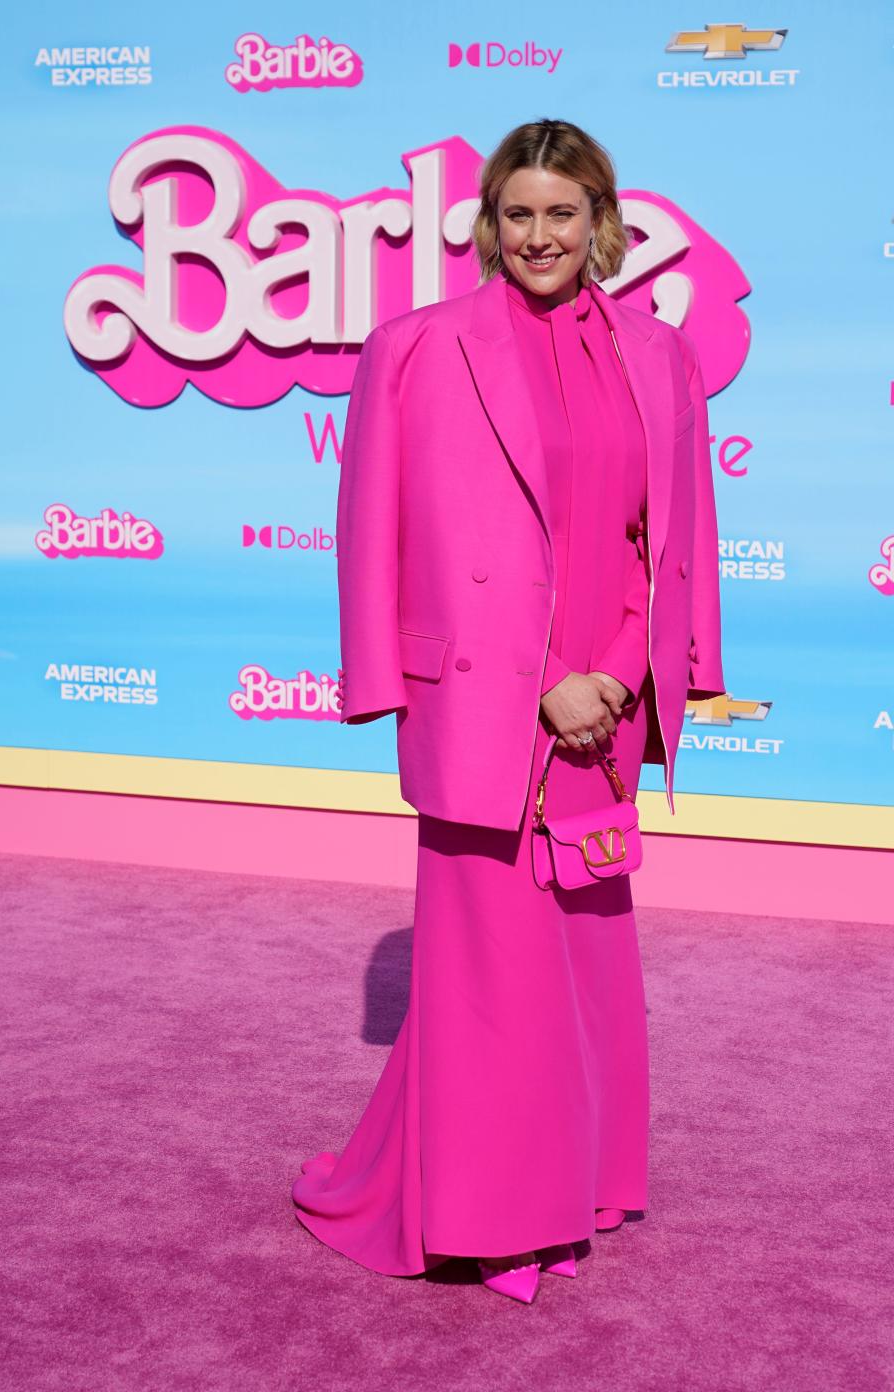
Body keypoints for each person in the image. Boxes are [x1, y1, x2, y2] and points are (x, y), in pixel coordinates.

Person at [291, 118, 726, 1304]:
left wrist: (635, 675)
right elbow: (371, 536)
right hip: (488, 703)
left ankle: (577, 1182)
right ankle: (488, 1213)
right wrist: (507, 684)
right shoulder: (416, 347)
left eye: (563, 212)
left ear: (601, 222)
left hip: (606, 700)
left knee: (585, 952)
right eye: (518, 214)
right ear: (489, 224)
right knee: (489, 969)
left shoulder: (658, 355)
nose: (541, 235)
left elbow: (674, 540)